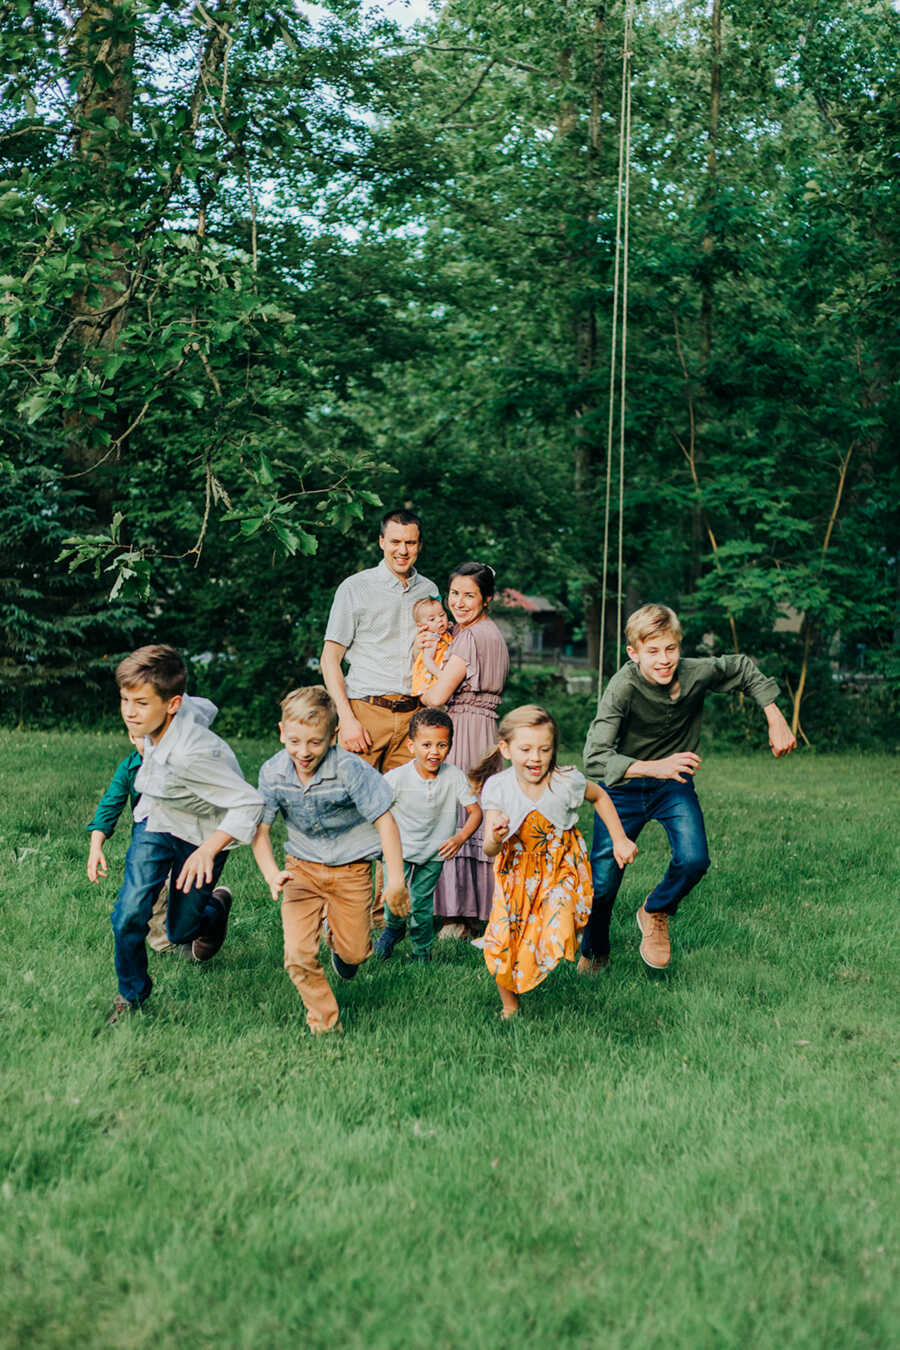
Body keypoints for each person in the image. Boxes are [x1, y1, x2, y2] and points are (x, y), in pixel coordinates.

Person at [581, 603, 797, 972]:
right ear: (633, 653)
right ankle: (595, 949)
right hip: (623, 788)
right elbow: (594, 759)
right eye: (652, 651)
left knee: (695, 859)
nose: (664, 660)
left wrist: (775, 718)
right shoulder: (622, 687)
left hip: (673, 786)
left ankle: (656, 910)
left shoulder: (695, 672)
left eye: (671, 648)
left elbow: (742, 667)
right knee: (602, 885)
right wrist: (654, 767)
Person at [106, 645, 264, 1025]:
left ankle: (215, 910)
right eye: (125, 700)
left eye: (141, 703)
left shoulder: (194, 753)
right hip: (157, 821)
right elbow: (202, 704)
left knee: (181, 931)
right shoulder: (169, 711)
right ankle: (132, 995)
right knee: (128, 915)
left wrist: (209, 850)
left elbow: (249, 803)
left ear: (172, 704)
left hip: (202, 834)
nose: (129, 712)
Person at [251, 686, 409, 1035]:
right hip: (300, 871)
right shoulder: (273, 773)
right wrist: (271, 873)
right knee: (296, 955)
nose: (303, 752)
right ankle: (324, 1022)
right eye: (294, 741)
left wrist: (395, 881)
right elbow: (260, 832)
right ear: (281, 732)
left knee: (354, 955)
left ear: (333, 736)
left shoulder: (350, 770)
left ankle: (340, 944)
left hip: (352, 870)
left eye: (314, 742)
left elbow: (385, 821)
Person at [477, 705, 638, 1019]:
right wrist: (497, 836)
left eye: (544, 749)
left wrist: (620, 839)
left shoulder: (567, 781)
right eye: (525, 749)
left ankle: (546, 952)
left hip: (560, 867)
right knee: (503, 939)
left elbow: (600, 796)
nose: (535, 758)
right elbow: (488, 848)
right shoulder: (498, 786)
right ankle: (510, 1005)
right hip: (515, 875)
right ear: (505, 749)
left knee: (557, 924)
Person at [419, 561, 510, 939]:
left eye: (469, 595)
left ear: (486, 599)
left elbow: (437, 696)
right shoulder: (493, 634)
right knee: (481, 810)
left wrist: (424, 664)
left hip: (463, 728)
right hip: (485, 728)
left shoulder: (470, 638)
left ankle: (457, 915)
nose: (459, 602)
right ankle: (480, 912)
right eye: (454, 593)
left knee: (458, 811)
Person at [320, 509, 439, 773]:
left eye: (410, 542)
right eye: (395, 542)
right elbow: (330, 659)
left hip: (414, 715)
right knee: (352, 804)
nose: (403, 550)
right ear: (381, 542)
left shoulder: (430, 591)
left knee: (405, 808)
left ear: (419, 545)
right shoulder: (355, 587)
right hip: (366, 712)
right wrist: (347, 719)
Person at [374, 707, 483, 963]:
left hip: (434, 852)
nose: (434, 752)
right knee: (393, 897)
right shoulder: (397, 778)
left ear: (450, 746)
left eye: (441, 745)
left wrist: (459, 838)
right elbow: (376, 809)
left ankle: (421, 952)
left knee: (422, 905)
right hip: (398, 851)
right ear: (411, 745)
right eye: (426, 745)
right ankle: (393, 928)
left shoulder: (454, 776)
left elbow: (475, 812)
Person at [87, 729, 175, 954]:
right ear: (131, 738)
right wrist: (96, 847)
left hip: (183, 832)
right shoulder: (129, 767)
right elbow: (110, 805)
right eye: (141, 738)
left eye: (155, 736)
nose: (148, 744)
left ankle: (196, 925)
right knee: (149, 887)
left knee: (180, 886)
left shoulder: (178, 761)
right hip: (149, 834)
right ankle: (164, 944)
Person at [411, 597, 452, 696]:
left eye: (442, 615)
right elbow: (427, 659)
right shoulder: (431, 638)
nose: (439, 620)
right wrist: (441, 676)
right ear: (422, 626)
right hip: (433, 678)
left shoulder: (442, 634)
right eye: (432, 619)